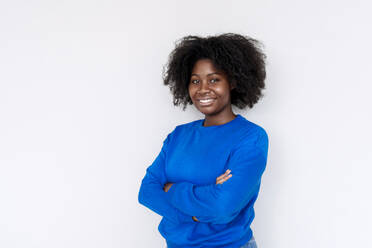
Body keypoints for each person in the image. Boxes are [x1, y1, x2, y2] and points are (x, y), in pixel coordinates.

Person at [138, 33, 269, 248]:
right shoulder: (178, 136)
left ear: (233, 82)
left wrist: (172, 188)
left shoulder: (251, 137)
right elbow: (147, 192)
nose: (203, 89)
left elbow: (223, 207)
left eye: (214, 79)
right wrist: (196, 212)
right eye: (195, 81)